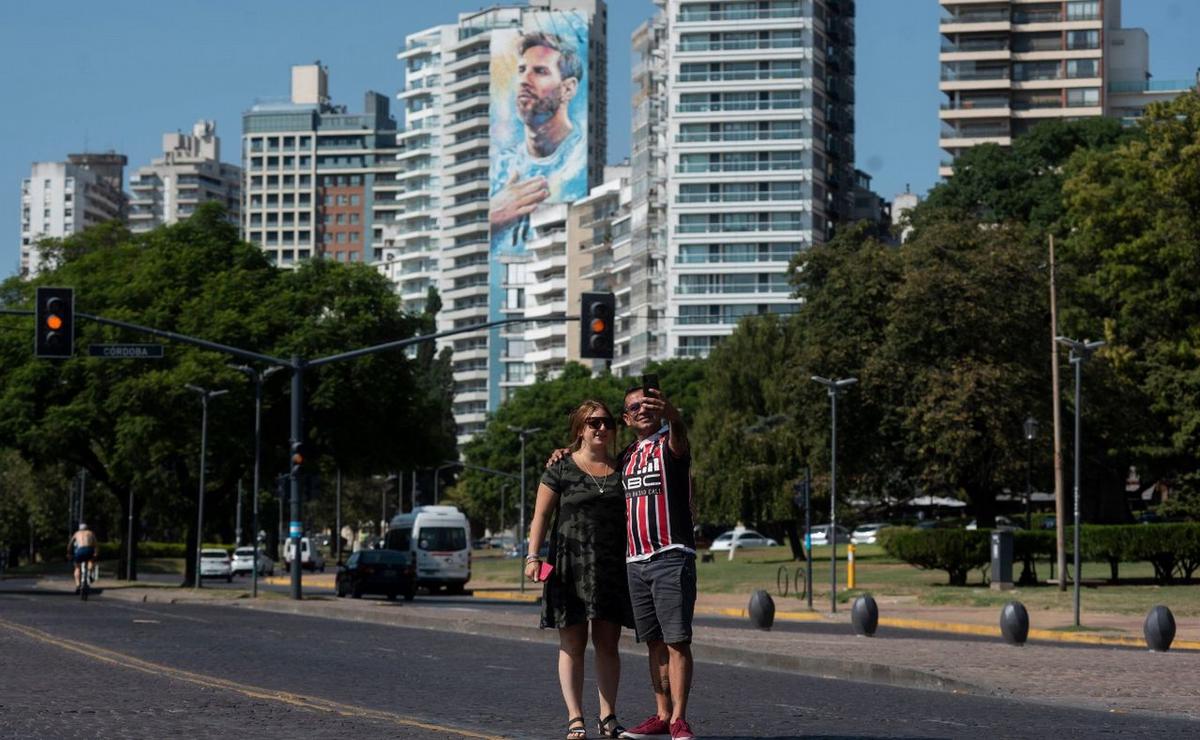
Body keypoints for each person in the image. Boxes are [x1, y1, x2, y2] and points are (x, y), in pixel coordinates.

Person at [526, 400, 634, 740]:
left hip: (611, 568)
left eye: (606, 422)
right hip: (568, 565)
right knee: (572, 642)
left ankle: (608, 717)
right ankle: (575, 717)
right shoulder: (561, 468)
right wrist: (532, 556)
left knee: (608, 644)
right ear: (580, 431)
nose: (601, 427)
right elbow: (541, 516)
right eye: (593, 423)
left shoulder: (625, 467)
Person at [617, 385, 697, 740]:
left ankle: (680, 718)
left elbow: (679, 433)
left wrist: (673, 414)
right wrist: (562, 452)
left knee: (677, 641)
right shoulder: (627, 455)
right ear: (626, 418)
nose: (642, 410)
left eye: (649, 405)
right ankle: (662, 714)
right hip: (635, 561)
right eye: (635, 407)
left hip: (670, 556)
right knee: (653, 643)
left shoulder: (670, 444)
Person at [490, 30, 587, 253]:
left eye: (540, 71)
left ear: (568, 88)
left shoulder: (578, 163)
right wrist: (493, 217)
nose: (524, 80)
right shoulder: (500, 165)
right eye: (521, 70)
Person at [69, 522, 98, 592]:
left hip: (79, 551)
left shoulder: (76, 533)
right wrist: (96, 553)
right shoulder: (90, 533)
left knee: (77, 567)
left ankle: (78, 585)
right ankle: (90, 574)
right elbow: (96, 545)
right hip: (89, 549)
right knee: (91, 560)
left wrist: (69, 553)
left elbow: (70, 544)